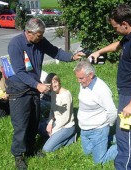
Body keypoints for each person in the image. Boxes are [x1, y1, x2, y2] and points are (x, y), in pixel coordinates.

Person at [6, 18, 84, 170]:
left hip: (34, 88)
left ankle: (30, 149)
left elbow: (55, 51)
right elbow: (19, 71)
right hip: (19, 89)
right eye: (39, 35)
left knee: (34, 121)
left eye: (42, 34)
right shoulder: (15, 44)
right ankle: (18, 155)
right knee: (21, 123)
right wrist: (38, 85)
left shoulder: (40, 41)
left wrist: (72, 57)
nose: (41, 37)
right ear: (29, 33)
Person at [89, 4, 131, 169]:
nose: (114, 30)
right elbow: (118, 45)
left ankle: (123, 166)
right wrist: (99, 52)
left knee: (125, 134)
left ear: (125, 23)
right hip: (129, 92)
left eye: (115, 27)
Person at [74, 60, 118, 164]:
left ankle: (125, 144)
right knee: (88, 153)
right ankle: (111, 138)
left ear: (91, 75)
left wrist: (107, 125)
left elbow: (112, 111)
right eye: (77, 78)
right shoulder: (84, 83)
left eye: (81, 78)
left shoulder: (101, 90)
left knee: (99, 161)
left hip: (98, 129)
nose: (78, 81)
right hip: (84, 129)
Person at [42, 74, 76, 152]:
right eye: (51, 83)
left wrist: (53, 131)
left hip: (67, 126)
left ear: (59, 81)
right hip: (56, 123)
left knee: (46, 149)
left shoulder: (66, 95)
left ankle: (70, 139)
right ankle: (58, 139)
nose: (54, 85)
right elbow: (52, 110)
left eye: (55, 82)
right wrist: (50, 123)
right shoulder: (53, 93)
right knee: (40, 128)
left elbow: (65, 118)